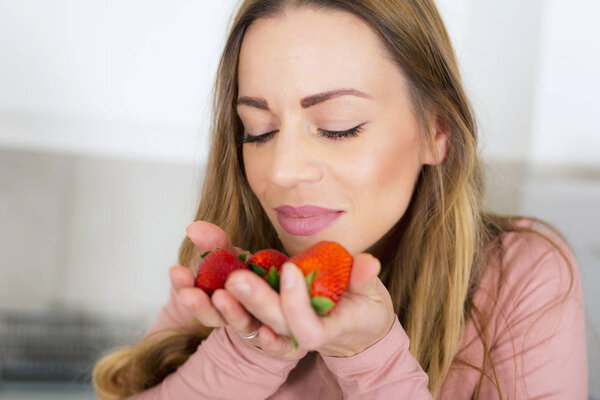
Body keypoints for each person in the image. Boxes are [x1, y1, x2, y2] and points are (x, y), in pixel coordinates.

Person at [92, 0, 588, 398]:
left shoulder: (520, 275)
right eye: (258, 131)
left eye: (338, 127)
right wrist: (250, 348)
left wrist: (369, 357)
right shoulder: (233, 276)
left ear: (437, 131)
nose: (283, 171)